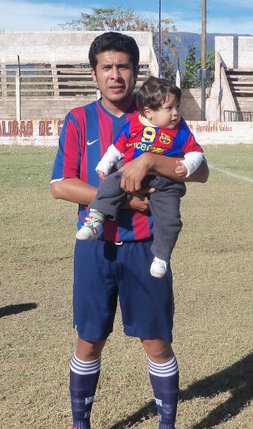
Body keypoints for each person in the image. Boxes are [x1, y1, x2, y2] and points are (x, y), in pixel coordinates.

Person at [49, 32, 209, 429]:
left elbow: (200, 172)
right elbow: (61, 185)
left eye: (123, 66)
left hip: (145, 248)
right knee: (89, 339)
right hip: (96, 247)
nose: (115, 74)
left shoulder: (164, 116)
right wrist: (126, 200)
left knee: (156, 342)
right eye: (107, 67)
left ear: (136, 72)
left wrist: (150, 161)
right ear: (94, 73)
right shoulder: (79, 120)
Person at [75, 76, 205, 278]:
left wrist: (188, 165)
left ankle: (161, 257)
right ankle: (95, 220)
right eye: (169, 108)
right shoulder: (134, 124)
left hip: (166, 183)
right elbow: (117, 148)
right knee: (109, 184)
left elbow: (196, 152)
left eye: (177, 107)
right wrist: (104, 164)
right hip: (129, 174)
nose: (176, 113)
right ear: (148, 113)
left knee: (170, 219)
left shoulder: (180, 128)